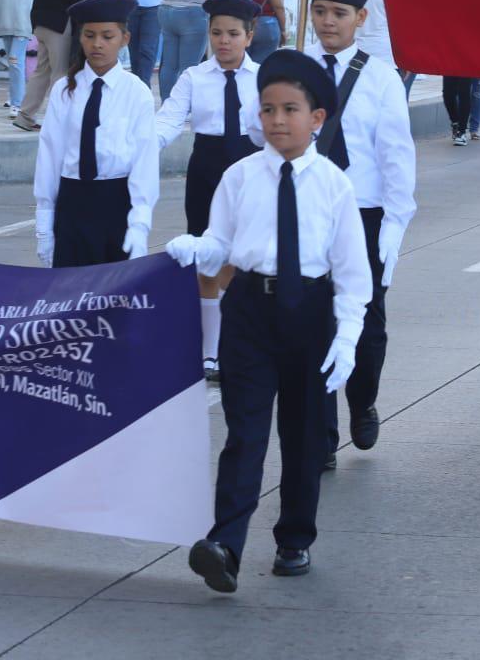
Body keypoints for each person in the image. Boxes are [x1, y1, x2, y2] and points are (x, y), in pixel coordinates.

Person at [168, 50, 371, 590]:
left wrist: (347, 339)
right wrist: (196, 249)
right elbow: (221, 243)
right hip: (249, 311)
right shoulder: (239, 176)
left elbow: (353, 273)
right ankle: (225, 546)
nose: (277, 120)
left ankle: (294, 540)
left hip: (309, 314)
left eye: (290, 109)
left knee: (304, 437)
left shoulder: (333, 184)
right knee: (245, 431)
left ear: (317, 118)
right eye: (268, 109)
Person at [291, 0, 417, 458]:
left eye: (339, 14)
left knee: (365, 322)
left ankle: (362, 401)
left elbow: (396, 154)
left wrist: (395, 223)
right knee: (311, 324)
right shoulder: (294, 70)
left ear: (360, 18)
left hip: (363, 213)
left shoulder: (381, 78)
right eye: (320, 11)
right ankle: (320, 436)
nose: (328, 21)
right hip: (306, 213)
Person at [155, 0, 261, 381]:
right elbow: (168, 119)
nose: (224, 41)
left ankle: (236, 341)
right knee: (206, 257)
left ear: (249, 36)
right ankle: (209, 352)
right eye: (216, 33)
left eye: (233, 33)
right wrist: (145, 146)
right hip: (206, 170)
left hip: (249, 171)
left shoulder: (264, 77)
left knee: (240, 259)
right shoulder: (194, 77)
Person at [33, 0, 157, 268]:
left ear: (125, 39)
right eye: (89, 35)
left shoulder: (136, 92)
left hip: (117, 202)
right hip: (72, 202)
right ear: (80, 38)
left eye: (107, 36)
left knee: (116, 289)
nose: (97, 44)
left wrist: (140, 223)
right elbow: (50, 156)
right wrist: (44, 223)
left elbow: (144, 162)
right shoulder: (64, 90)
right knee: (70, 289)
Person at [14, 0, 94, 132]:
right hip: (57, 27)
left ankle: (25, 116)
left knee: (42, 72)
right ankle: (58, 121)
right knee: (61, 74)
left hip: (44, 25)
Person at [443, 74, 478, 145]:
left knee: (464, 92)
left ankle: (461, 132)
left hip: (467, 67)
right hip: (450, 67)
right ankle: (455, 123)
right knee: (447, 93)